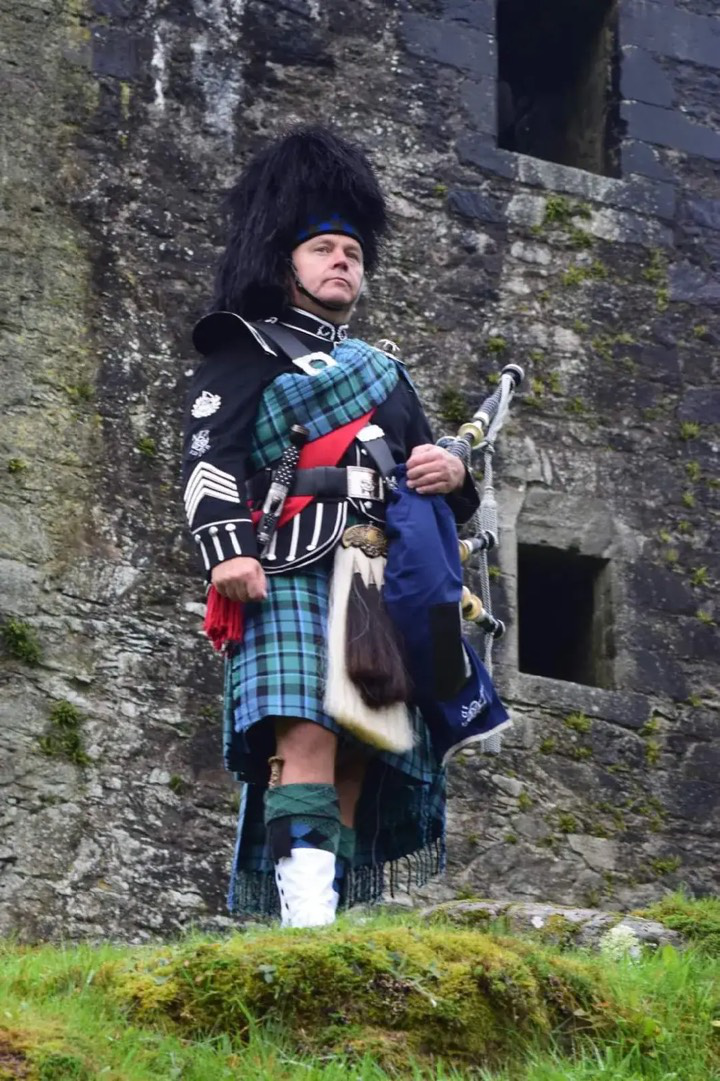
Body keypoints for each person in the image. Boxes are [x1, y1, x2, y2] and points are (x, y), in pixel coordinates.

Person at [181, 126, 480, 928]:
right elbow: (209, 460)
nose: (341, 261)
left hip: (378, 570)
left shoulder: (385, 375)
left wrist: (453, 474)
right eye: (323, 249)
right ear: (287, 263)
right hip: (287, 562)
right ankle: (305, 921)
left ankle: (325, 922)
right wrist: (228, 551)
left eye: (352, 251)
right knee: (307, 731)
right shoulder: (243, 348)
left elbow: (436, 487)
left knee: (359, 742)